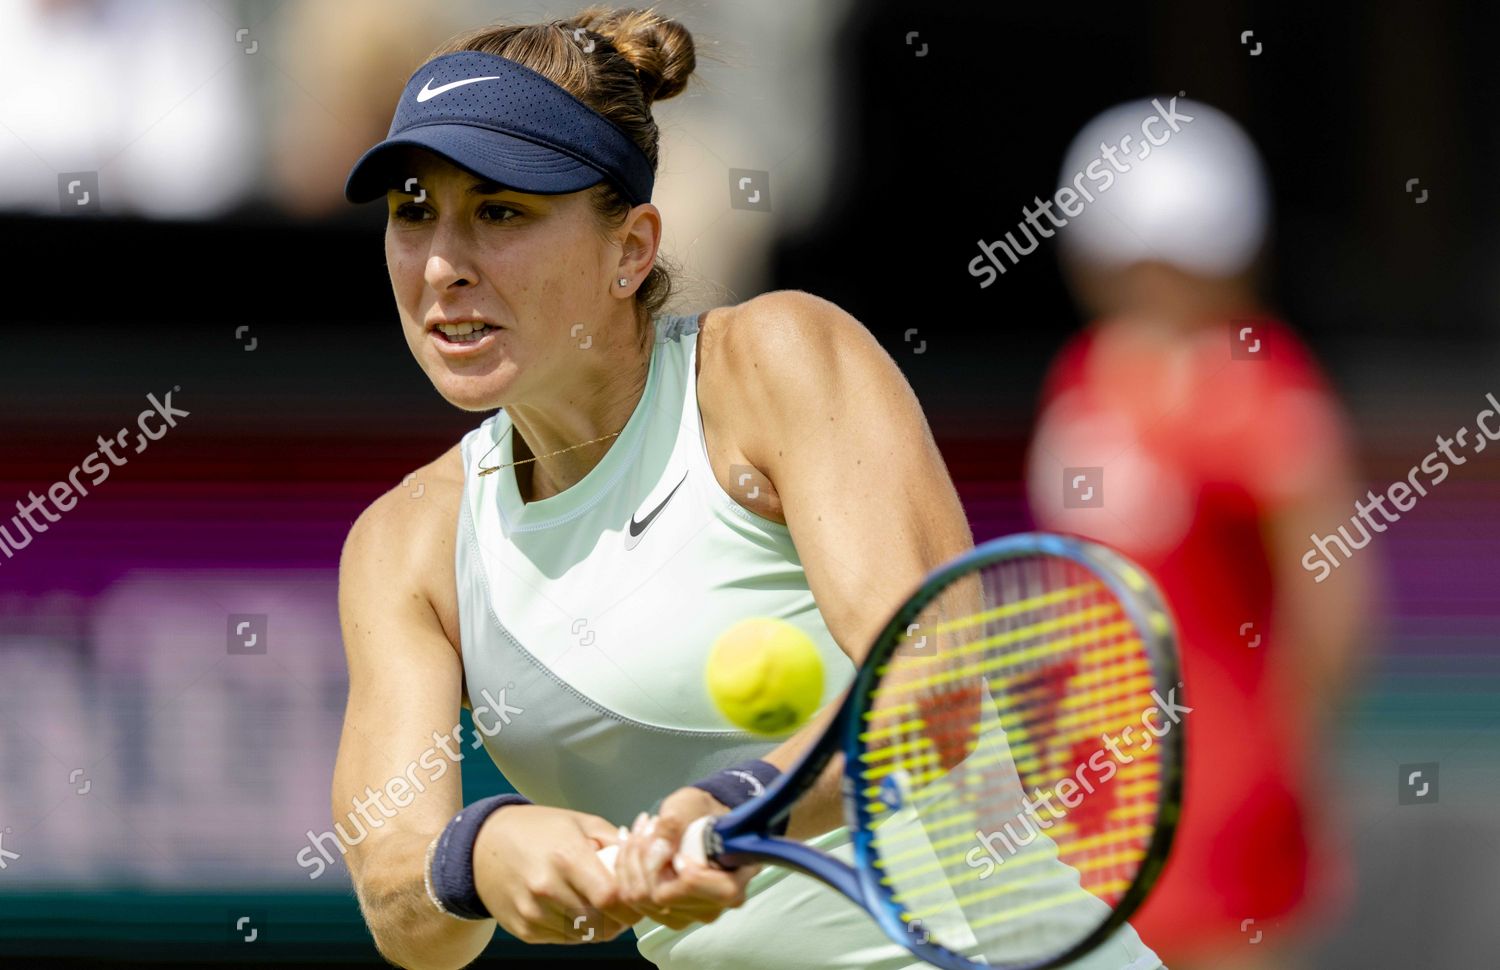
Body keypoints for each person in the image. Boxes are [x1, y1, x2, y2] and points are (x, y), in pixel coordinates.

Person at [332, 7, 1167, 969]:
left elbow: (933, 687)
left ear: (631, 250)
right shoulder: (405, 546)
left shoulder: (776, 362)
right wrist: (479, 854)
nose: (442, 263)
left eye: (501, 211)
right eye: (412, 210)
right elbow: (399, 902)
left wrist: (729, 808)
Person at [1026, 98, 1373, 969]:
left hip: (1221, 819)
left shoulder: (1264, 386)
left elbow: (1338, 607)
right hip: (1087, 811)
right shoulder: (1081, 378)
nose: (1151, 282)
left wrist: (1284, 774)